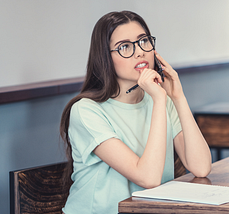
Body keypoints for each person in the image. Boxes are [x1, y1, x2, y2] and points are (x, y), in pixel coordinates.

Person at [60, 10, 212, 214]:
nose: (139, 52)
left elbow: (201, 167)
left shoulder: (162, 101)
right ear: (105, 57)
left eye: (144, 41)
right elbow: (148, 178)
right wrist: (159, 99)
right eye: (125, 47)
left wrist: (178, 97)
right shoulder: (86, 111)